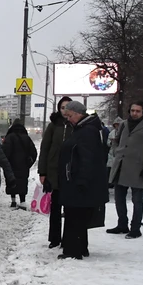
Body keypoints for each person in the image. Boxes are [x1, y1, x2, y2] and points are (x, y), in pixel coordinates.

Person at [57, 101, 109, 260]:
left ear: (79, 114)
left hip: (80, 182)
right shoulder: (83, 129)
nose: (69, 119)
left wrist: (82, 181)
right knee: (75, 215)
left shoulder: (87, 131)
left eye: (70, 116)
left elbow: (88, 159)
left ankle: (74, 251)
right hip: (76, 180)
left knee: (75, 216)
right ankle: (79, 247)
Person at [107, 101, 143, 239]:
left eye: (138, 111)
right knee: (119, 197)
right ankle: (122, 224)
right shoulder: (123, 124)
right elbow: (117, 140)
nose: (134, 113)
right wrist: (117, 151)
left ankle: (135, 228)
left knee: (137, 199)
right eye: (132, 110)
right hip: (121, 165)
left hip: (138, 167)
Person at [38, 96, 73, 248]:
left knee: (70, 208)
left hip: (70, 173)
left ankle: (68, 238)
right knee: (55, 208)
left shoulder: (76, 124)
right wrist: (42, 171)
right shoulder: (53, 125)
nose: (64, 110)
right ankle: (54, 238)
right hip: (54, 172)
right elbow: (45, 148)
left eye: (67, 107)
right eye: (62, 107)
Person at [1, 118, 37, 209]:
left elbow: (5, 151)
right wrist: (29, 164)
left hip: (12, 165)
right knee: (23, 182)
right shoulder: (26, 137)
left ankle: (13, 201)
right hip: (24, 165)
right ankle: (23, 201)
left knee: (11, 181)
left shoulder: (9, 137)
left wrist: (6, 163)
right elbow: (34, 152)